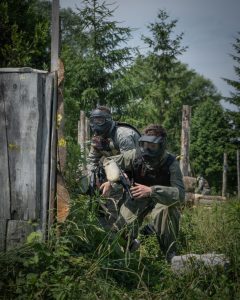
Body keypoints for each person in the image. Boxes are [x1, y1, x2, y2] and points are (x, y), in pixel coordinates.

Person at [100, 124, 185, 262]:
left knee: (165, 214)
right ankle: (130, 251)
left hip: (162, 200)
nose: (147, 149)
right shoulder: (135, 154)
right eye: (145, 144)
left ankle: (170, 257)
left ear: (161, 145)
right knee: (121, 231)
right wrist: (114, 177)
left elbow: (180, 195)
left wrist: (152, 190)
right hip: (138, 197)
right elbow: (109, 161)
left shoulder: (171, 163)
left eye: (152, 146)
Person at [84, 106, 141, 229]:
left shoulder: (123, 135)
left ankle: (120, 235)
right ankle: (107, 233)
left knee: (116, 208)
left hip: (136, 175)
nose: (95, 124)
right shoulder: (98, 137)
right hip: (116, 173)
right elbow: (92, 160)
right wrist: (91, 179)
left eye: (99, 120)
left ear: (108, 120)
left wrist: (111, 184)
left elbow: (130, 164)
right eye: (93, 120)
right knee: (96, 202)